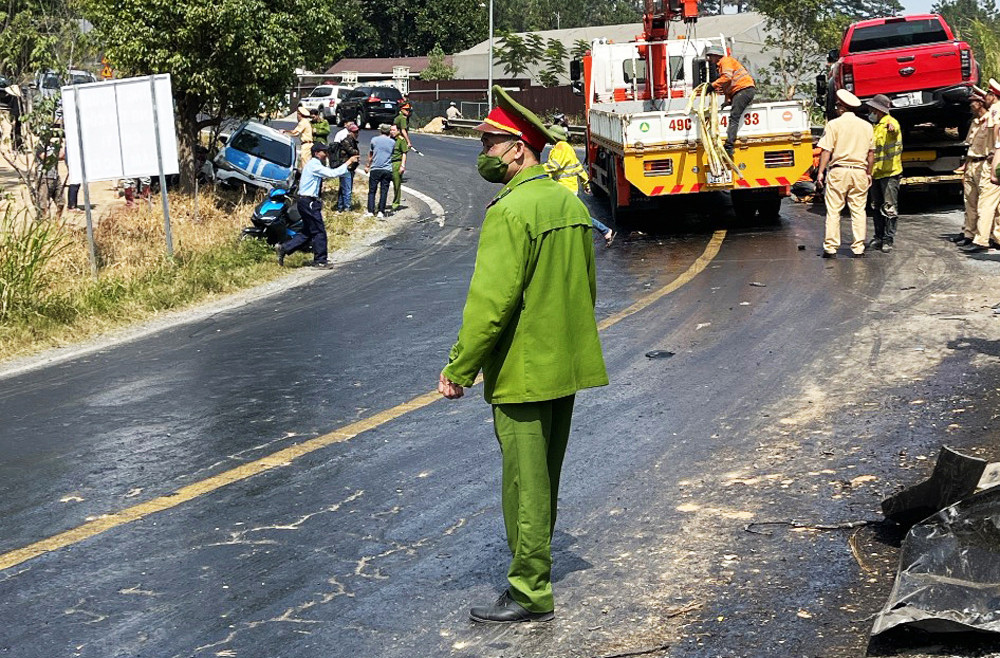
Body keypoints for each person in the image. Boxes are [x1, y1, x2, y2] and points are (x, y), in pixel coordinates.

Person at [438, 85, 608, 625]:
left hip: (523, 370)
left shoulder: (510, 213)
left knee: (523, 484)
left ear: (518, 149)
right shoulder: (569, 203)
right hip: (565, 365)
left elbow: (490, 304)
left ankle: (530, 591)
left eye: (489, 145)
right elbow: (587, 288)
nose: (483, 155)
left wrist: (458, 367)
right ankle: (536, 567)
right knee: (546, 478)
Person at [276, 143, 359, 267]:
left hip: (305, 201)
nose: (326, 154)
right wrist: (348, 162)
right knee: (319, 231)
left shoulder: (314, 165)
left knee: (308, 231)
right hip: (309, 201)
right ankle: (320, 260)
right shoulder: (314, 165)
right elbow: (332, 174)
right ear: (316, 153)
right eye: (323, 152)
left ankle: (285, 248)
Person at [816, 89, 874, 258]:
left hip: (839, 172)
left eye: (837, 106)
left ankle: (831, 247)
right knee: (858, 210)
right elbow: (871, 154)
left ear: (842, 107)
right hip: (859, 172)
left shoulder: (833, 125)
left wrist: (820, 172)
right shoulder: (867, 126)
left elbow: (826, 150)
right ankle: (858, 248)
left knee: (834, 210)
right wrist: (868, 173)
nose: (836, 108)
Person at [545, 124, 615, 247]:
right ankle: (603, 231)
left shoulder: (560, 148)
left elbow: (553, 166)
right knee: (570, 215)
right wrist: (585, 183)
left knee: (575, 215)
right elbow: (578, 167)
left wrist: (538, 170)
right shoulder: (568, 148)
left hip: (564, 189)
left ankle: (604, 230)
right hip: (570, 188)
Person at [705, 45, 756, 157]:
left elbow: (727, 78)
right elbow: (727, 85)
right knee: (734, 115)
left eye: (711, 56)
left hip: (744, 90)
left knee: (734, 116)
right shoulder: (721, 66)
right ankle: (729, 145)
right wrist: (727, 100)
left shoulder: (726, 61)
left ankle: (729, 146)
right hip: (740, 91)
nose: (710, 59)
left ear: (716, 56)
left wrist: (712, 86)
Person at [867, 94, 903, 253]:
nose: (870, 112)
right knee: (876, 206)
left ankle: (888, 238)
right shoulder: (875, 125)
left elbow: (894, 132)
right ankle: (878, 236)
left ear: (878, 110)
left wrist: (892, 130)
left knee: (889, 208)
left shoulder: (890, 122)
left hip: (889, 173)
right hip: (876, 173)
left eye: (872, 109)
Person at [956, 95, 992, 247]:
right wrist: (965, 166)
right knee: (969, 201)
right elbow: (969, 145)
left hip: (984, 163)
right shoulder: (975, 122)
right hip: (972, 163)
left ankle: (985, 237)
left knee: (984, 204)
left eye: (973, 102)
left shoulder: (991, 120)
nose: (971, 105)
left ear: (980, 103)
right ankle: (969, 233)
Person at [365, 123, 394, 217]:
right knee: (384, 191)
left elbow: (371, 154)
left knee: (372, 190)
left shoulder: (374, 140)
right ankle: (381, 211)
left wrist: (367, 166)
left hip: (375, 168)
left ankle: (370, 211)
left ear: (380, 131)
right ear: (389, 131)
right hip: (387, 169)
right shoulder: (392, 142)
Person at [336, 123, 360, 211]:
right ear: (350, 132)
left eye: (357, 132)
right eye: (355, 132)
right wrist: (356, 152)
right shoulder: (346, 141)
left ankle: (340, 206)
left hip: (350, 167)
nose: (357, 134)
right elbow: (352, 151)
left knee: (344, 188)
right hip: (346, 167)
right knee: (347, 189)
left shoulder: (352, 141)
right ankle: (346, 207)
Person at [285, 105, 313, 170]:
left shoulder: (303, 122)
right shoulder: (306, 121)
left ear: (299, 114)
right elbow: (296, 134)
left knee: (305, 163)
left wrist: (284, 131)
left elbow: (294, 132)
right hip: (306, 144)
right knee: (301, 163)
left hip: (306, 144)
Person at [389, 123, 408, 212]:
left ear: (398, 131)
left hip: (397, 163)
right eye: (391, 130)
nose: (392, 132)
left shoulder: (401, 140)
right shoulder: (388, 139)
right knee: (384, 184)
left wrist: (402, 165)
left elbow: (404, 153)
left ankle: (396, 203)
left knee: (396, 185)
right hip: (388, 163)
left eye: (394, 130)